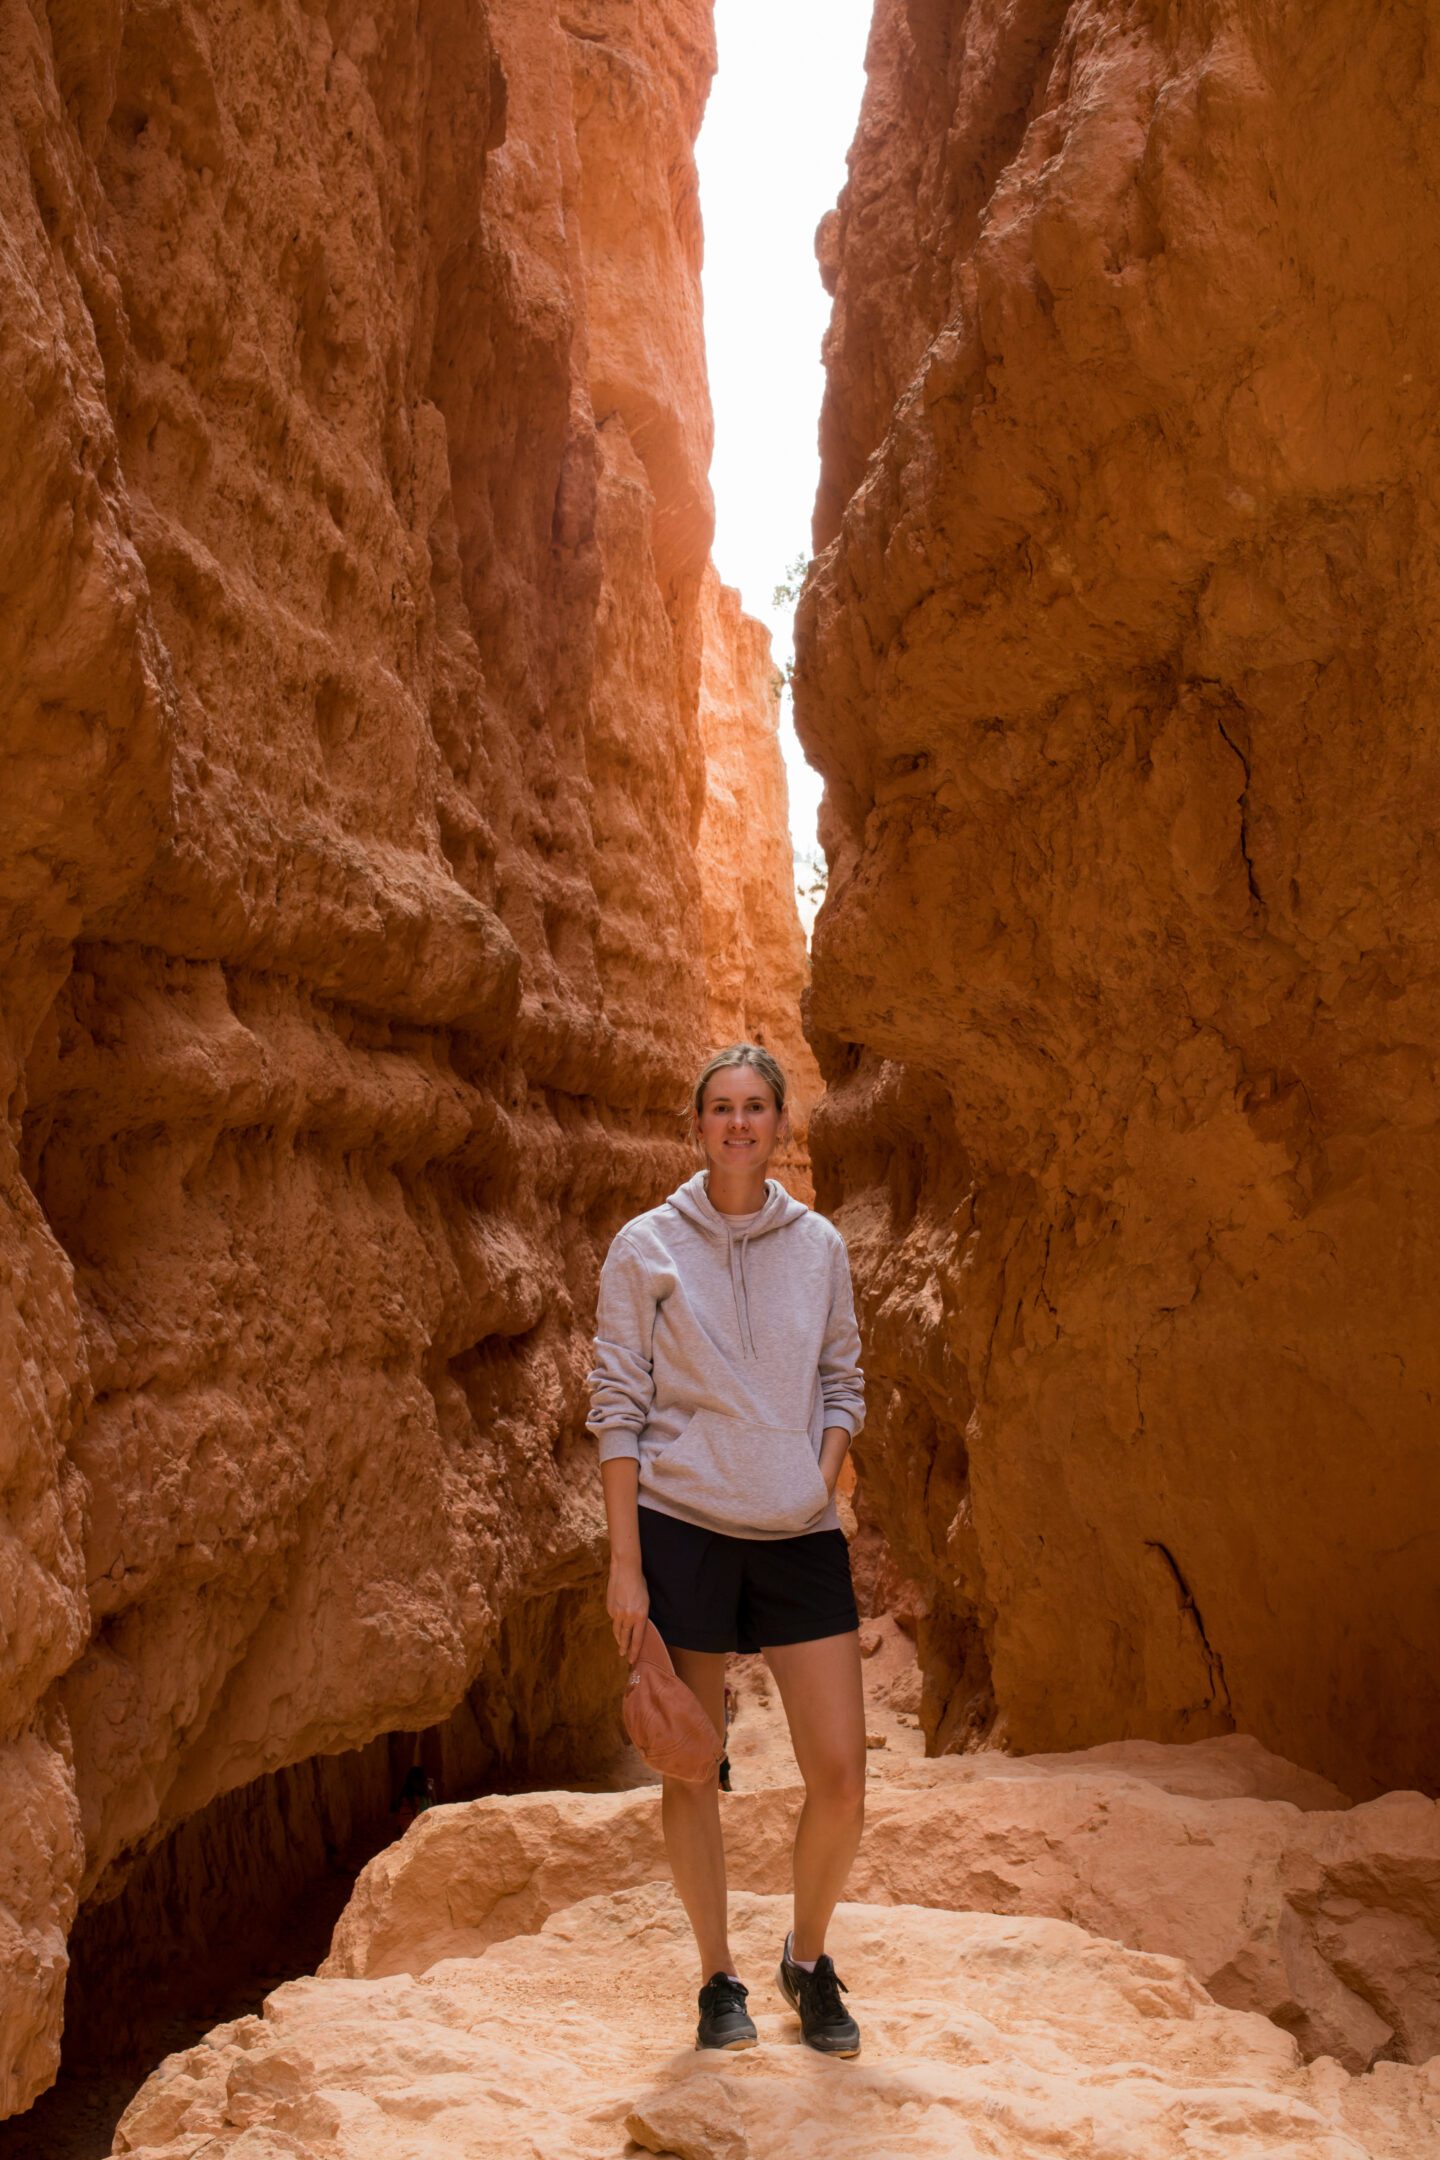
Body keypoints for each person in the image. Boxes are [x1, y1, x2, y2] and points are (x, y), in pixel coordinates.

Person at [586, 1043, 867, 2057]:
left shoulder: (820, 1247)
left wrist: (815, 1473)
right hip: (681, 1530)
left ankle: (806, 1957)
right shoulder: (646, 1246)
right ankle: (718, 1980)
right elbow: (617, 1406)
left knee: (840, 1780)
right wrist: (626, 1563)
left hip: (796, 1534)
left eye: (756, 1108)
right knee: (689, 1767)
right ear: (697, 1126)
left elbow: (844, 1381)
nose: (739, 1124)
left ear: (780, 1126)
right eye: (721, 1108)